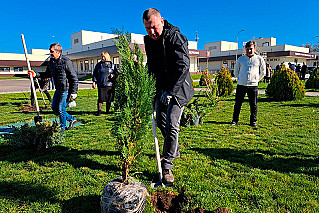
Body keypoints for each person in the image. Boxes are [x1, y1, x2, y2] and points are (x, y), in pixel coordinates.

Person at [143, 8, 194, 186]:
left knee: (172, 123)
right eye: (148, 28)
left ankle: (167, 166)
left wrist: (171, 92)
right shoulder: (148, 41)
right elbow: (151, 65)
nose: (152, 32)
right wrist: (149, 88)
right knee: (161, 122)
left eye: (155, 27)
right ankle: (174, 149)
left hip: (178, 87)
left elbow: (183, 66)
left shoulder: (175, 37)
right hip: (161, 87)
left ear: (162, 21)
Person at [28, 43, 78, 132]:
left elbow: (74, 77)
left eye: (52, 52)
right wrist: (35, 74)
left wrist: (74, 92)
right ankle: (71, 118)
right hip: (58, 89)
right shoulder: (51, 62)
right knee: (55, 108)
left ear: (58, 52)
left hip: (66, 89)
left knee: (61, 109)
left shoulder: (66, 61)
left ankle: (62, 127)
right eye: (50, 52)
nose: (50, 53)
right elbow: (47, 74)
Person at [231, 40, 266, 128]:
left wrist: (256, 80)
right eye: (247, 49)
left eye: (251, 49)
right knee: (238, 104)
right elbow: (236, 71)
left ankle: (253, 121)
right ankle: (235, 120)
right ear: (245, 49)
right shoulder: (240, 59)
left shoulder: (259, 59)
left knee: (253, 105)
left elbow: (263, 72)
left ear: (254, 48)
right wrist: (239, 78)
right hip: (241, 85)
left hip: (253, 86)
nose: (249, 51)